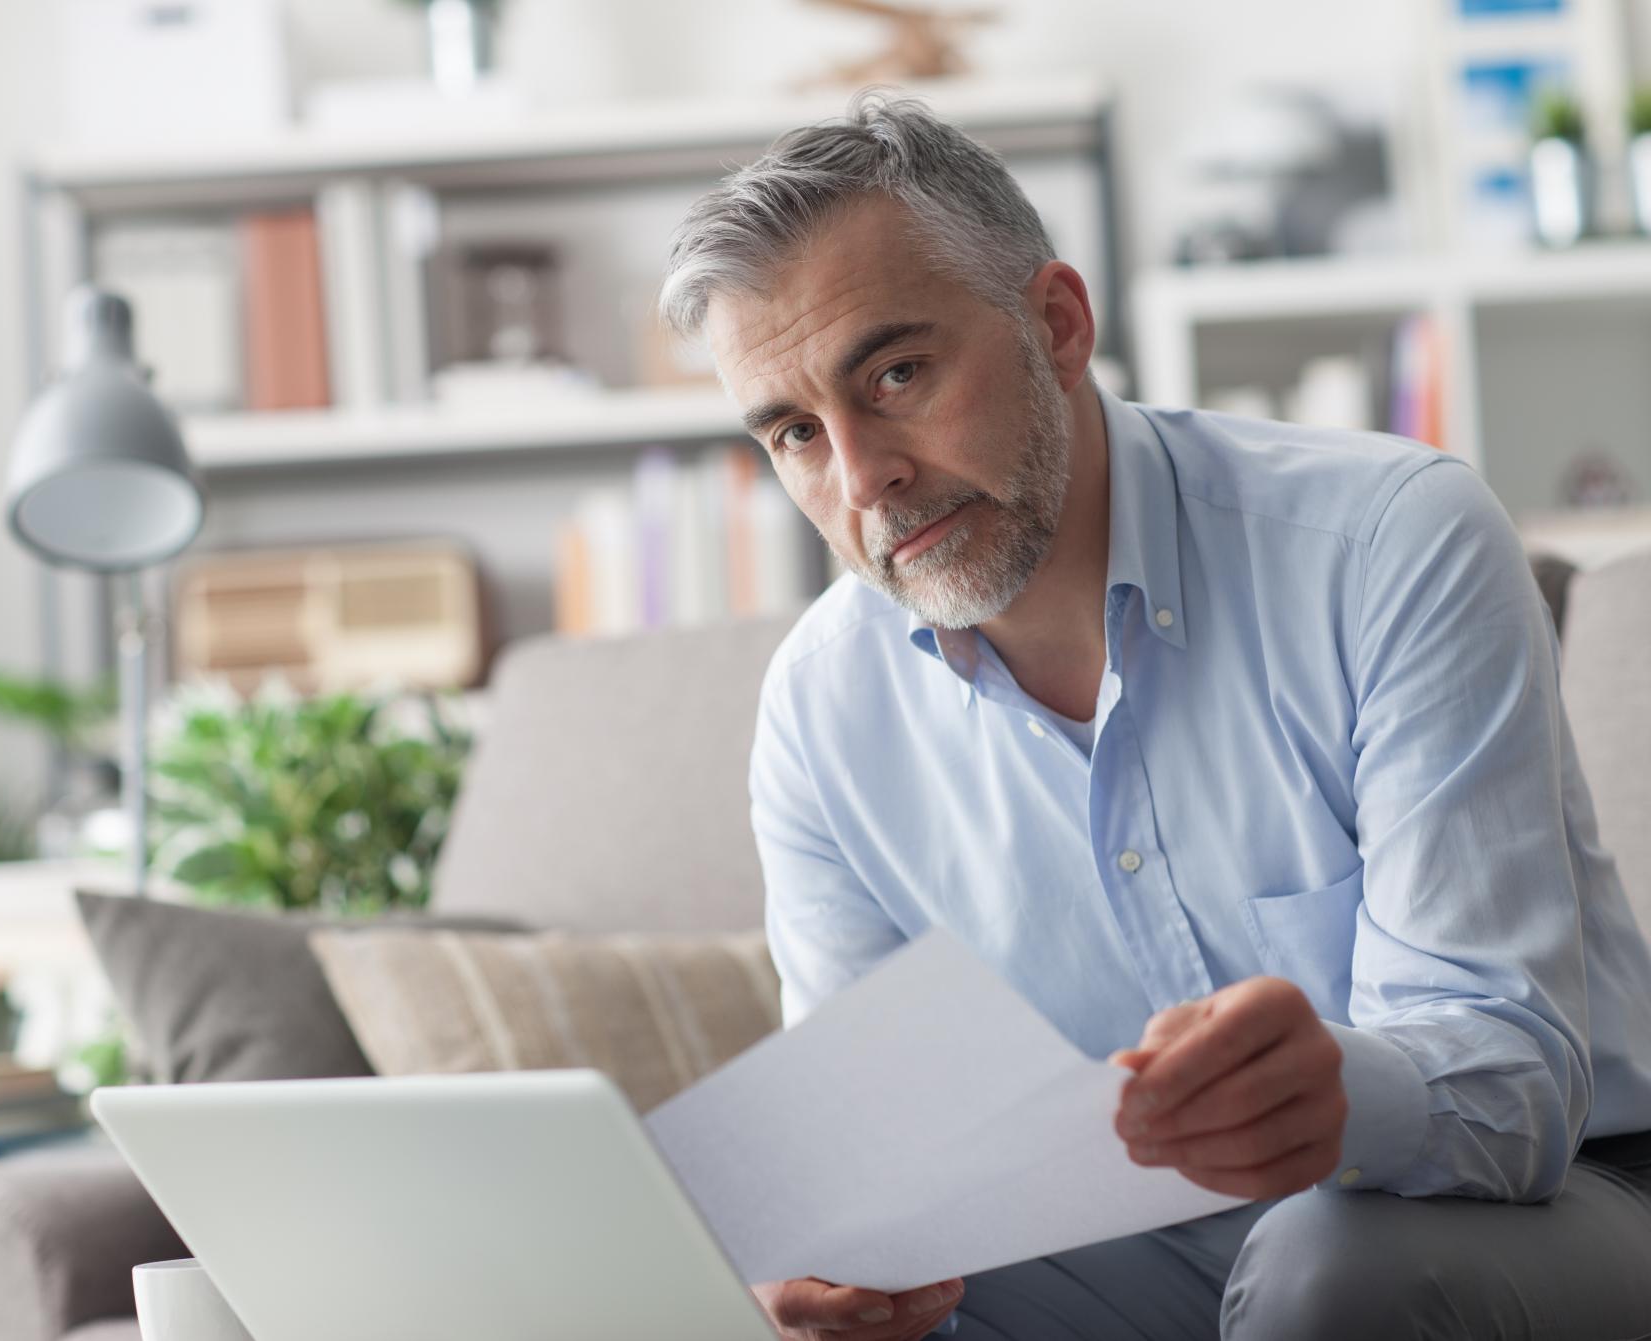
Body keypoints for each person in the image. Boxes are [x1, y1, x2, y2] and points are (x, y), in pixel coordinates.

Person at [657, 92, 1651, 1340]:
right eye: (798, 433)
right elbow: (878, 1163)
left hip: (1545, 1203)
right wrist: (829, 1269)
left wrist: (1348, 1088)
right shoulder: (819, 711)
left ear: (1058, 324)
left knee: (1326, 1259)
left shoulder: (1390, 541)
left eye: (897, 374)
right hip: (1122, 1253)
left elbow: (1515, 1078)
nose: (863, 480)